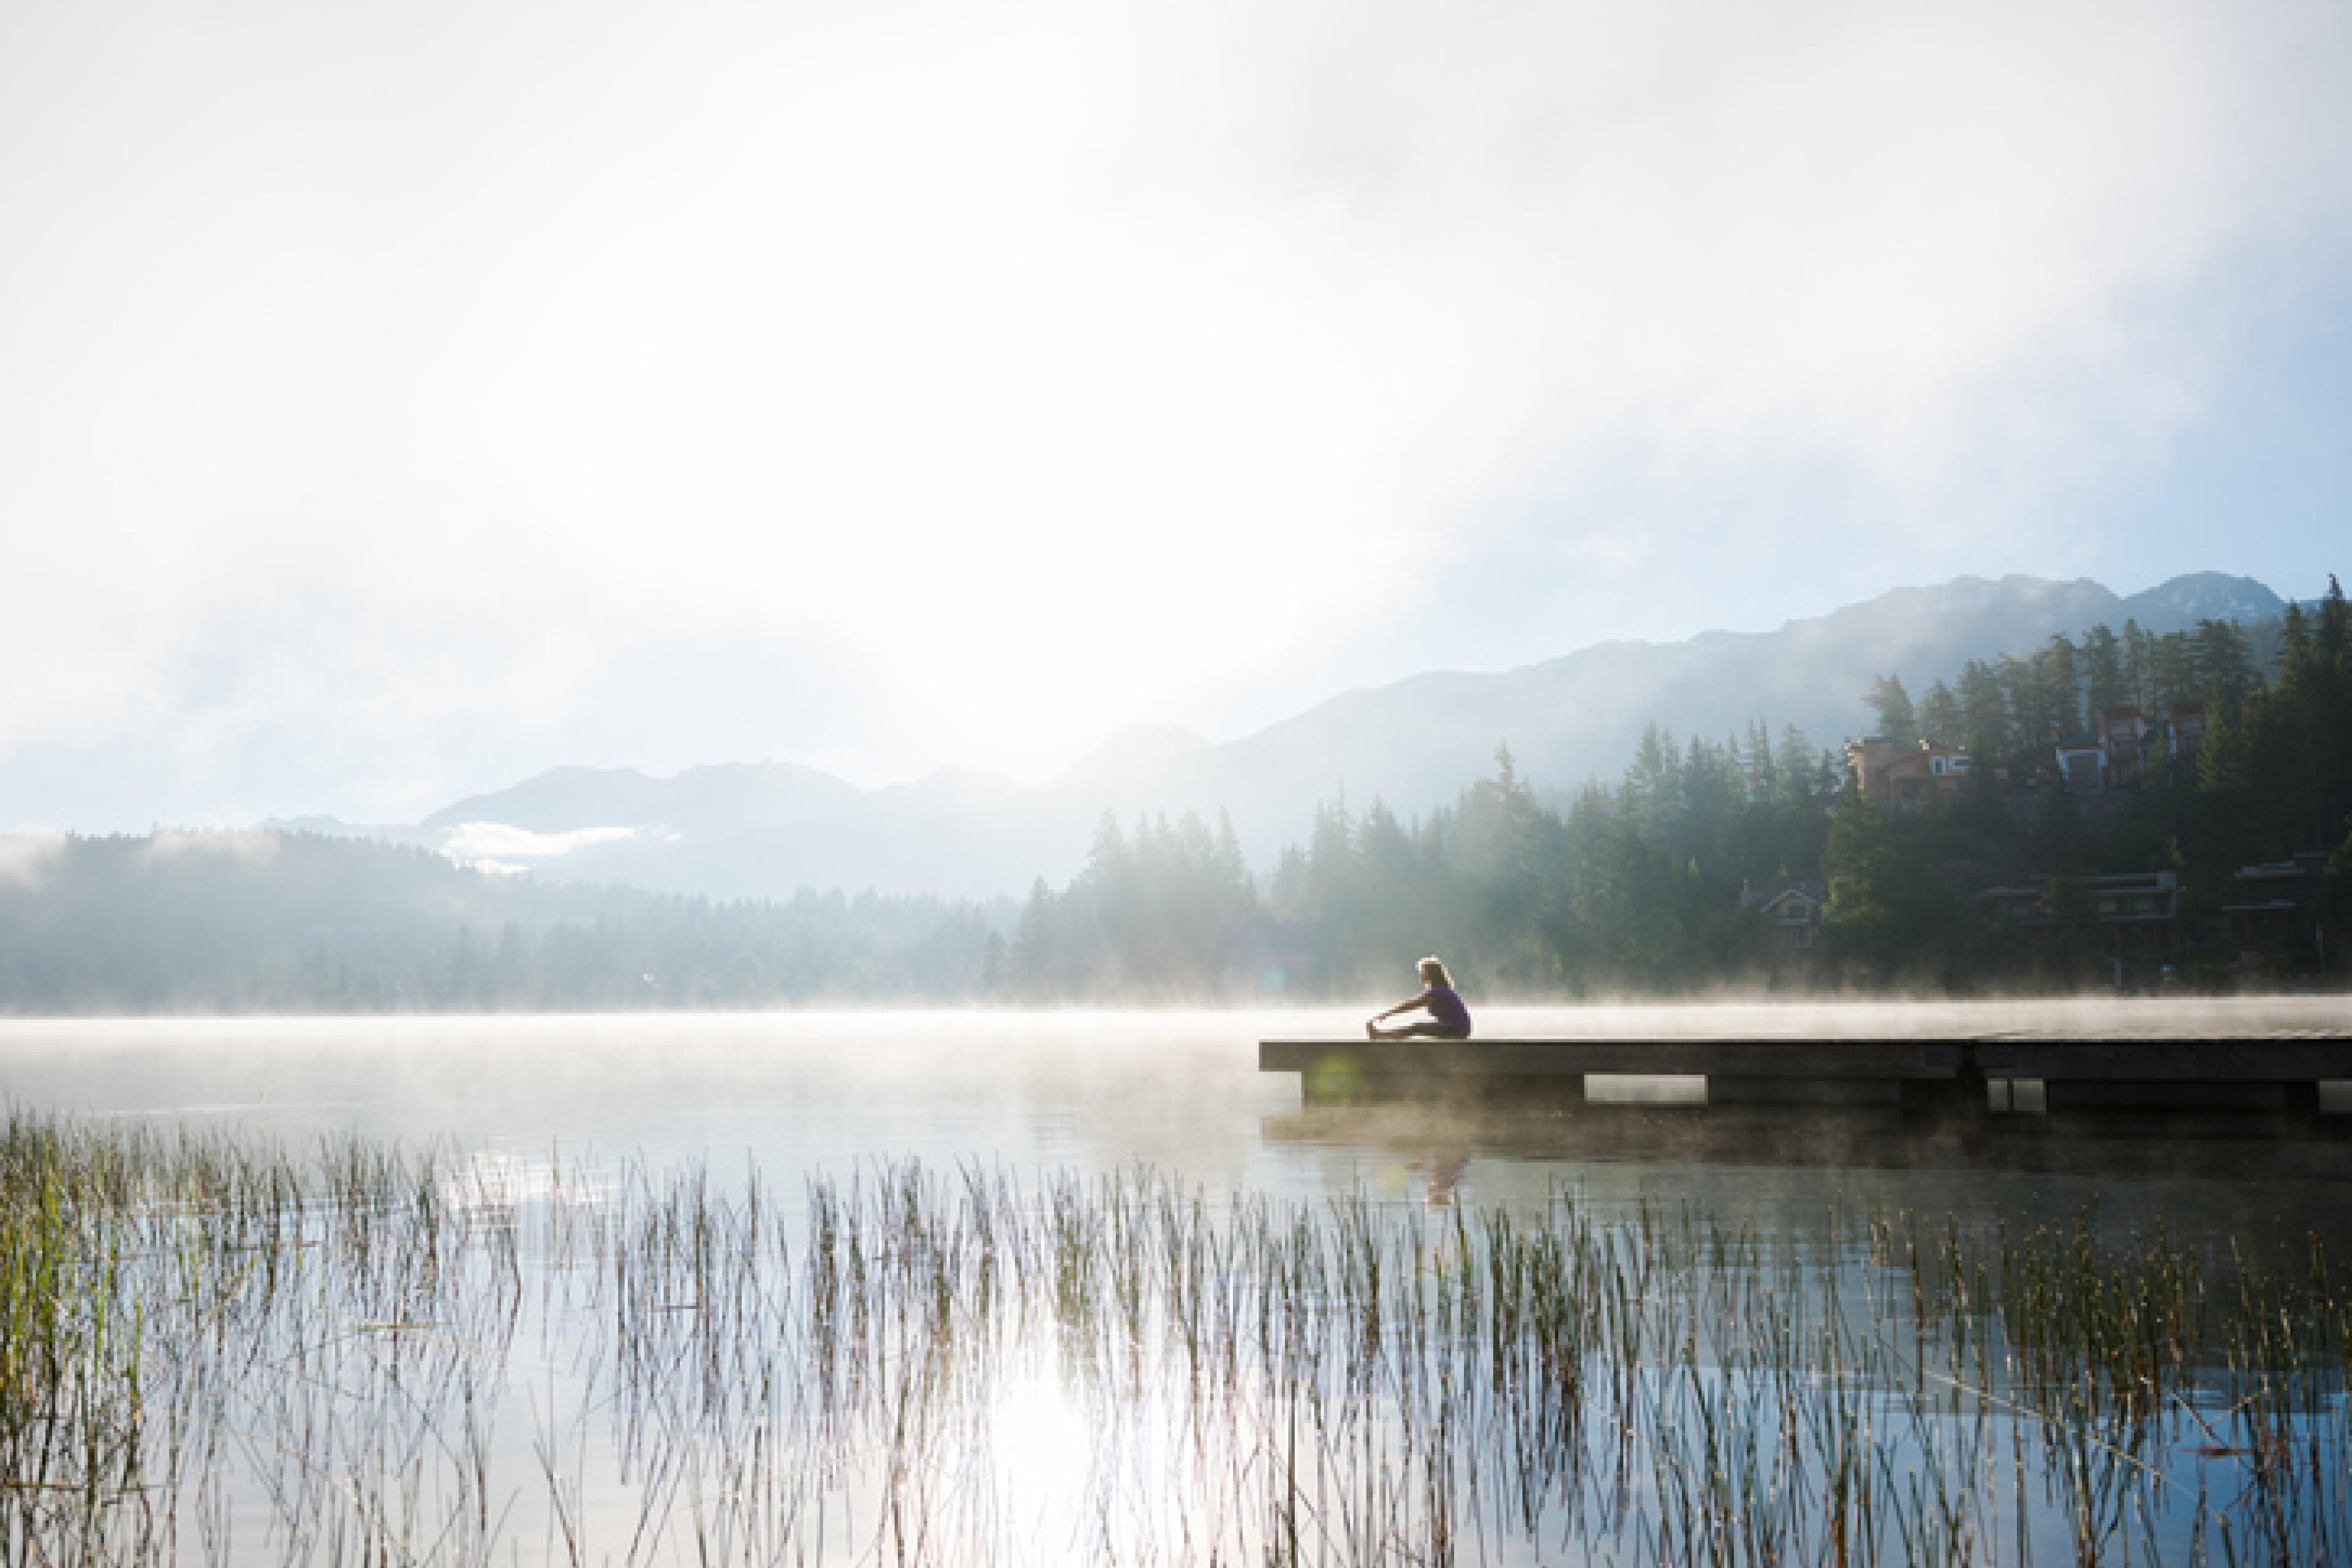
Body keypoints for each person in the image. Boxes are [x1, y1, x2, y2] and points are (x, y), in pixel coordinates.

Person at [1366, 956, 1472, 1040]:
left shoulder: (1438, 992)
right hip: (1458, 1030)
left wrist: (1386, 1014)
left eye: (1423, 973)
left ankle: (1380, 1036)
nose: (1421, 976)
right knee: (1420, 1027)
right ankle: (1383, 1036)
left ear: (1431, 974)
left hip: (1457, 1030)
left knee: (1417, 1027)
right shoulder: (1440, 989)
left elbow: (1411, 1005)